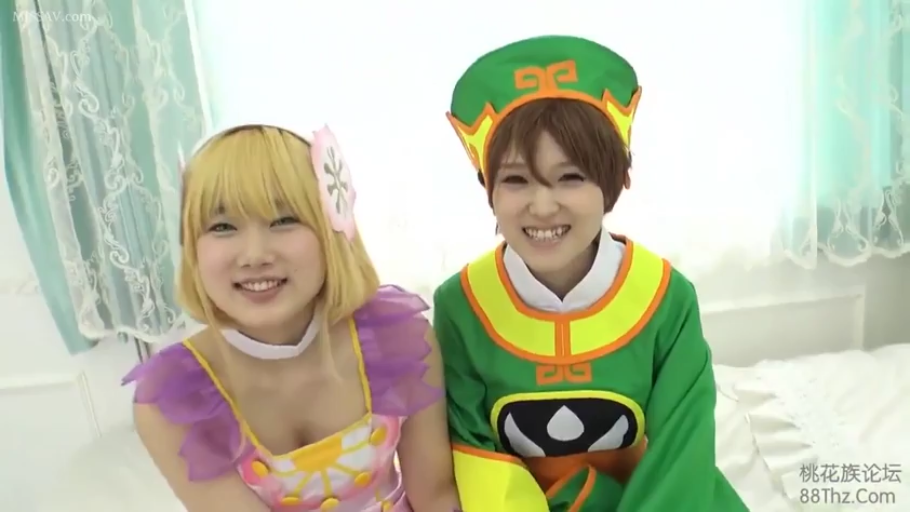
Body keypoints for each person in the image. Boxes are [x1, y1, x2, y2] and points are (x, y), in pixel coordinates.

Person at [434, 35, 749, 511]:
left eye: (571, 178)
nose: (543, 206)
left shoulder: (666, 299)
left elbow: (681, 448)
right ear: (488, 188)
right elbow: (473, 451)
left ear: (615, 179)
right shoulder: (461, 306)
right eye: (516, 180)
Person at [123, 110, 460, 511]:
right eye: (222, 227)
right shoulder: (173, 400)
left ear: (332, 227)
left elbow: (437, 497)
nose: (255, 255)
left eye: (283, 220)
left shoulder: (399, 339)